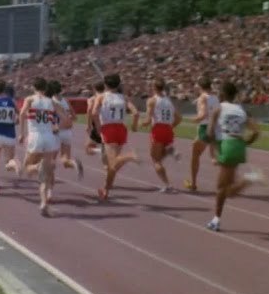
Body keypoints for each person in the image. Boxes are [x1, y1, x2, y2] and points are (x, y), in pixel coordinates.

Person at [205, 82, 265, 231]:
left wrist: (215, 150)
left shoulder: (218, 109)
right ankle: (249, 179)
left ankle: (216, 220)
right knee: (228, 190)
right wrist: (246, 143)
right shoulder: (241, 110)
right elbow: (257, 131)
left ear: (223, 94)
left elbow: (209, 133)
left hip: (228, 145)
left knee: (220, 189)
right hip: (239, 146)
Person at [18, 77, 71, 216]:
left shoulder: (29, 100)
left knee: (28, 168)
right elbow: (66, 118)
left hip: (35, 136)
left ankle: (37, 167)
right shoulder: (51, 101)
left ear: (33, 87)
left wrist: (22, 133)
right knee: (46, 173)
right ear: (45, 88)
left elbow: (22, 114)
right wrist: (56, 127)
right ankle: (43, 203)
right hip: (49, 137)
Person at [91, 73, 141, 201]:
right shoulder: (124, 98)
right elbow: (136, 113)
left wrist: (98, 128)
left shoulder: (101, 97)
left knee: (112, 163)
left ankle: (129, 156)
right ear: (118, 84)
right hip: (121, 129)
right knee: (111, 165)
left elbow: (94, 113)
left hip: (109, 129)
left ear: (105, 84)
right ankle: (106, 189)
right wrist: (135, 126)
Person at [141, 78, 182, 192]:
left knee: (155, 160)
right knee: (159, 156)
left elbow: (148, 120)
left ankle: (168, 185)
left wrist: (141, 123)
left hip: (158, 129)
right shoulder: (168, 101)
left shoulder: (152, 100)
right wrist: (170, 127)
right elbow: (179, 118)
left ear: (154, 87)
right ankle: (170, 150)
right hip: (168, 129)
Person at [47, 79, 83, 200]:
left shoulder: (51, 102)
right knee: (65, 159)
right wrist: (68, 121)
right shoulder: (66, 101)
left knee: (51, 163)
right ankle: (73, 164)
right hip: (67, 133)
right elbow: (74, 117)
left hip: (55, 132)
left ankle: (49, 192)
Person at [184, 75, 221, 192]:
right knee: (213, 156)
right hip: (216, 128)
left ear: (200, 86)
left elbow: (203, 114)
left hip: (205, 128)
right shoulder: (215, 98)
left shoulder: (202, 98)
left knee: (195, 155)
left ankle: (194, 183)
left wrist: (194, 119)